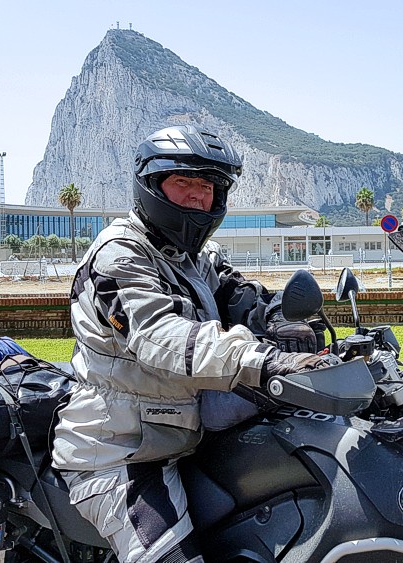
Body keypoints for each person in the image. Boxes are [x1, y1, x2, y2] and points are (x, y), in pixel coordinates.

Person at [51, 125, 325, 563]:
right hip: (120, 453)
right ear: (151, 186)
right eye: (184, 184)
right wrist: (264, 360)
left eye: (207, 187)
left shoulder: (195, 257)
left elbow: (241, 298)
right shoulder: (120, 255)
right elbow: (159, 336)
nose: (198, 198)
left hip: (183, 439)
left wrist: (282, 320)